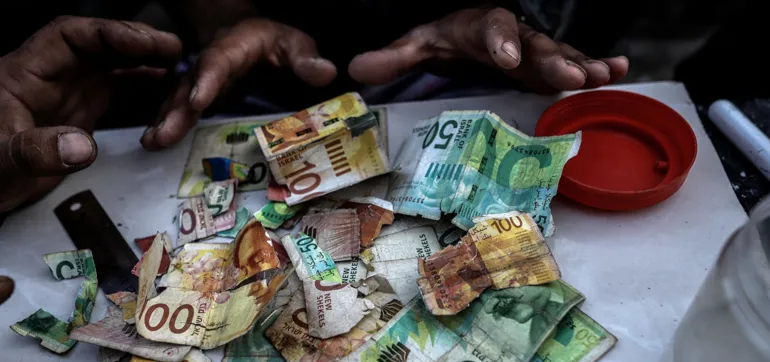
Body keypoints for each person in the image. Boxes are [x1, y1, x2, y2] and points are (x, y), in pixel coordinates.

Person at [0, 12, 627, 217]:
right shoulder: (97, 72)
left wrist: (519, 33)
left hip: (468, 77)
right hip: (230, 89)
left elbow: (578, 27)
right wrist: (224, 28)